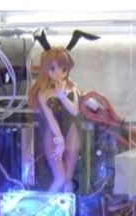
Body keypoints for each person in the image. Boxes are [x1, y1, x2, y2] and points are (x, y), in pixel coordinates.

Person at [28, 30, 98, 192]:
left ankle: (68, 207)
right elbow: (50, 117)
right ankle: (44, 205)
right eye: (52, 68)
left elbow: (74, 111)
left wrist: (62, 96)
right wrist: (59, 140)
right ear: (46, 69)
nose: (58, 73)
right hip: (53, 133)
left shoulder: (71, 88)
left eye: (63, 69)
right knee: (59, 177)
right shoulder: (43, 92)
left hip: (72, 130)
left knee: (67, 178)